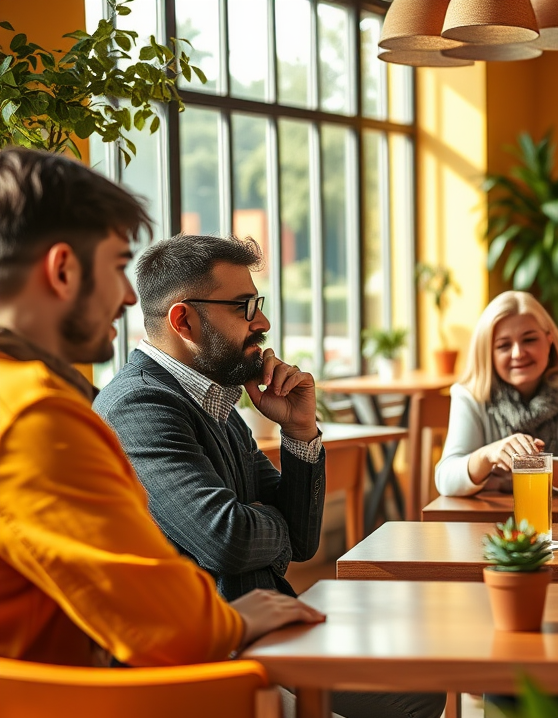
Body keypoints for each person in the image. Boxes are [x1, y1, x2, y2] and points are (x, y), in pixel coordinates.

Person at [93, 234, 444, 718]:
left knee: (417, 695)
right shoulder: (141, 404)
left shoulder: (216, 401)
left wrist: (299, 431)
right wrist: (263, 524)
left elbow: (300, 542)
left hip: (266, 634)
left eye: (258, 305)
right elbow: (228, 539)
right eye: (244, 307)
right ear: (184, 321)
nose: (262, 323)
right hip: (199, 658)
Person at [0, 147, 323, 670]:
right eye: (118, 266)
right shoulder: (37, 416)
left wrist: (299, 436)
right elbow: (174, 619)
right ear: (63, 270)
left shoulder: (32, 398)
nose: (130, 297)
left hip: (74, 705)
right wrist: (238, 618)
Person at [434, 290, 558, 497]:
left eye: (529, 340)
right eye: (503, 345)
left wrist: (531, 465)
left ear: (549, 339)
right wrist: (488, 455)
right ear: (488, 353)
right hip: (488, 522)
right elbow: (446, 479)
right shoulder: (469, 392)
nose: (518, 353)